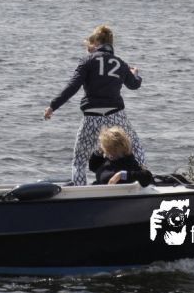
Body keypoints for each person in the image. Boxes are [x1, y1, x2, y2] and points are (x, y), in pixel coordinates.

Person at [43, 24, 145, 186]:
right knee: (135, 145)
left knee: (79, 161)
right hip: (115, 115)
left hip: (92, 116)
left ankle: (81, 193)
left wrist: (52, 106)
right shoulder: (120, 63)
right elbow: (134, 85)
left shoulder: (87, 61)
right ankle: (143, 181)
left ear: (97, 42)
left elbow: (72, 86)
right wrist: (135, 74)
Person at [88, 126, 152, 186]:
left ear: (112, 149)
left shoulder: (129, 162)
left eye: (103, 146)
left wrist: (121, 175)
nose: (101, 147)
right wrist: (99, 152)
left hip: (117, 192)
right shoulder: (109, 160)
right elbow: (93, 167)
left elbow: (147, 176)